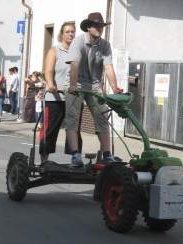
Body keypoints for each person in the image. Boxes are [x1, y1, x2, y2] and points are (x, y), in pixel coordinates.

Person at [66, 12, 122, 166]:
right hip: (76, 83)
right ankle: (76, 155)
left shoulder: (105, 45)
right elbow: (74, 64)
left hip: (95, 85)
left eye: (101, 26)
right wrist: (72, 85)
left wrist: (114, 87)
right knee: (72, 119)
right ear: (89, 27)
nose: (99, 28)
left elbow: (109, 67)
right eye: (96, 26)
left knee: (102, 118)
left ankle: (107, 154)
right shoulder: (78, 42)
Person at [39, 21, 76, 162]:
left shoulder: (76, 51)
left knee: (73, 129)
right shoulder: (55, 50)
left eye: (72, 31)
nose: (70, 34)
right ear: (62, 34)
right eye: (67, 31)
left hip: (72, 97)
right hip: (55, 96)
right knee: (50, 129)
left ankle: (75, 157)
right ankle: (44, 158)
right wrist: (50, 84)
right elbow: (48, 71)